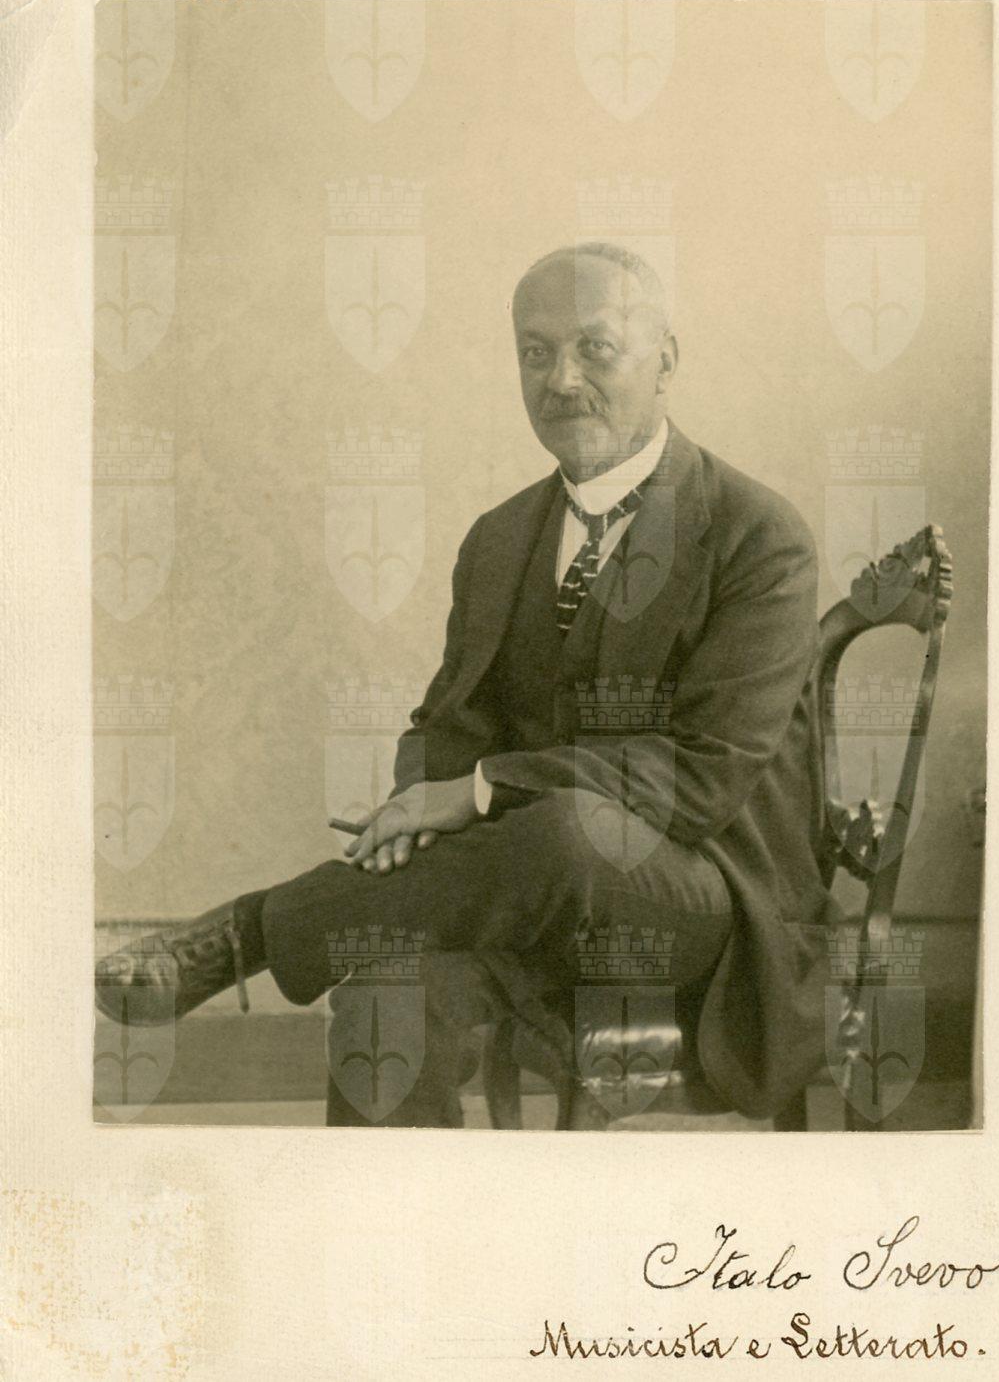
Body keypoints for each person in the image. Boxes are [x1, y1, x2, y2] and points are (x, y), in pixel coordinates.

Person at [96, 242, 831, 1126]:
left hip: (708, 911)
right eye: (535, 352)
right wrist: (415, 811)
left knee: (569, 830)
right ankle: (389, 1213)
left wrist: (477, 791)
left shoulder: (758, 535)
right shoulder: (499, 538)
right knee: (386, 981)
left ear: (666, 360)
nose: (560, 380)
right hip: (517, 894)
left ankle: (250, 932)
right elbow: (449, 724)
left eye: (595, 348)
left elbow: (702, 776)